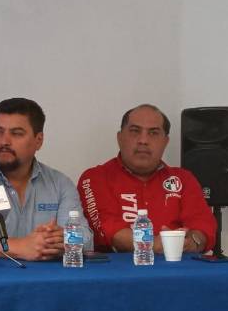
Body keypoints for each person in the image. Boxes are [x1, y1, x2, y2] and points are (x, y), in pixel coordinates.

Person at [0, 98, 83, 261]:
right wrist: (20, 246)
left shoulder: (61, 184)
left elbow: (85, 237)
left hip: (48, 278)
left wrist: (59, 240)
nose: (4, 141)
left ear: (38, 141)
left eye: (16, 133)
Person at [78, 104, 217, 253]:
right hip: (117, 272)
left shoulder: (184, 179)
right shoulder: (95, 177)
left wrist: (193, 242)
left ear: (165, 142)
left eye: (153, 133)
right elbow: (108, 229)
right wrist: (155, 245)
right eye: (135, 131)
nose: (143, 140)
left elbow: (204, 227)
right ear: (119, 138)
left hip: (178, 270)